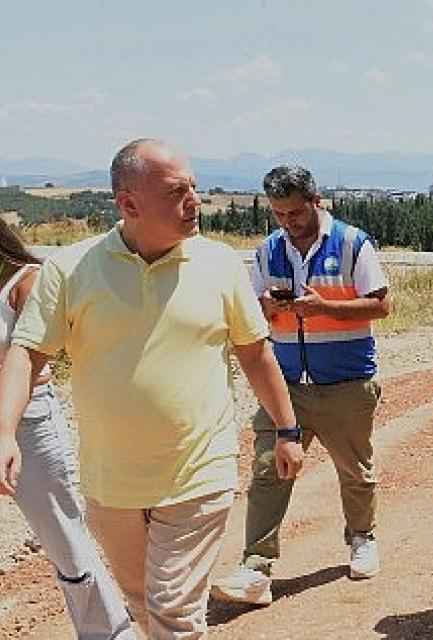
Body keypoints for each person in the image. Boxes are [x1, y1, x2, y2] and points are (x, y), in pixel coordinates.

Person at [0, 138, 299, 639]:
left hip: (199, 471)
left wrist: (288, 430)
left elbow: (255, 353)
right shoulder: (70, 270)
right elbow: (27, 352)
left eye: (194, 188)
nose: (194, 201)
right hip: (111, 483)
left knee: (173, 613)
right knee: (143, 604)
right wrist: (6, 430)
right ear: (129, 204)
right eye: (177, 191)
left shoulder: (220, 264)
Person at [213, 164, 391, 606]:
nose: (287, 222)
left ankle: (362, 537)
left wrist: (324, 308)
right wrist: (265, 308)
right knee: (268, 470)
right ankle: (256, 567)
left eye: (295, 212)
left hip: (346, 382)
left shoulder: (352, 243)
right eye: (278, 214)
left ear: (316, 201)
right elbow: (251, 314)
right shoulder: (267, 251)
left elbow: (381, 306)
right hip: (285, 385)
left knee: (355, 470)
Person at [0, 223, 135, 639]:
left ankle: (109, 634)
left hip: (27, 425)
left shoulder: (27, 281)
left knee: (63, 538)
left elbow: (32, 359)